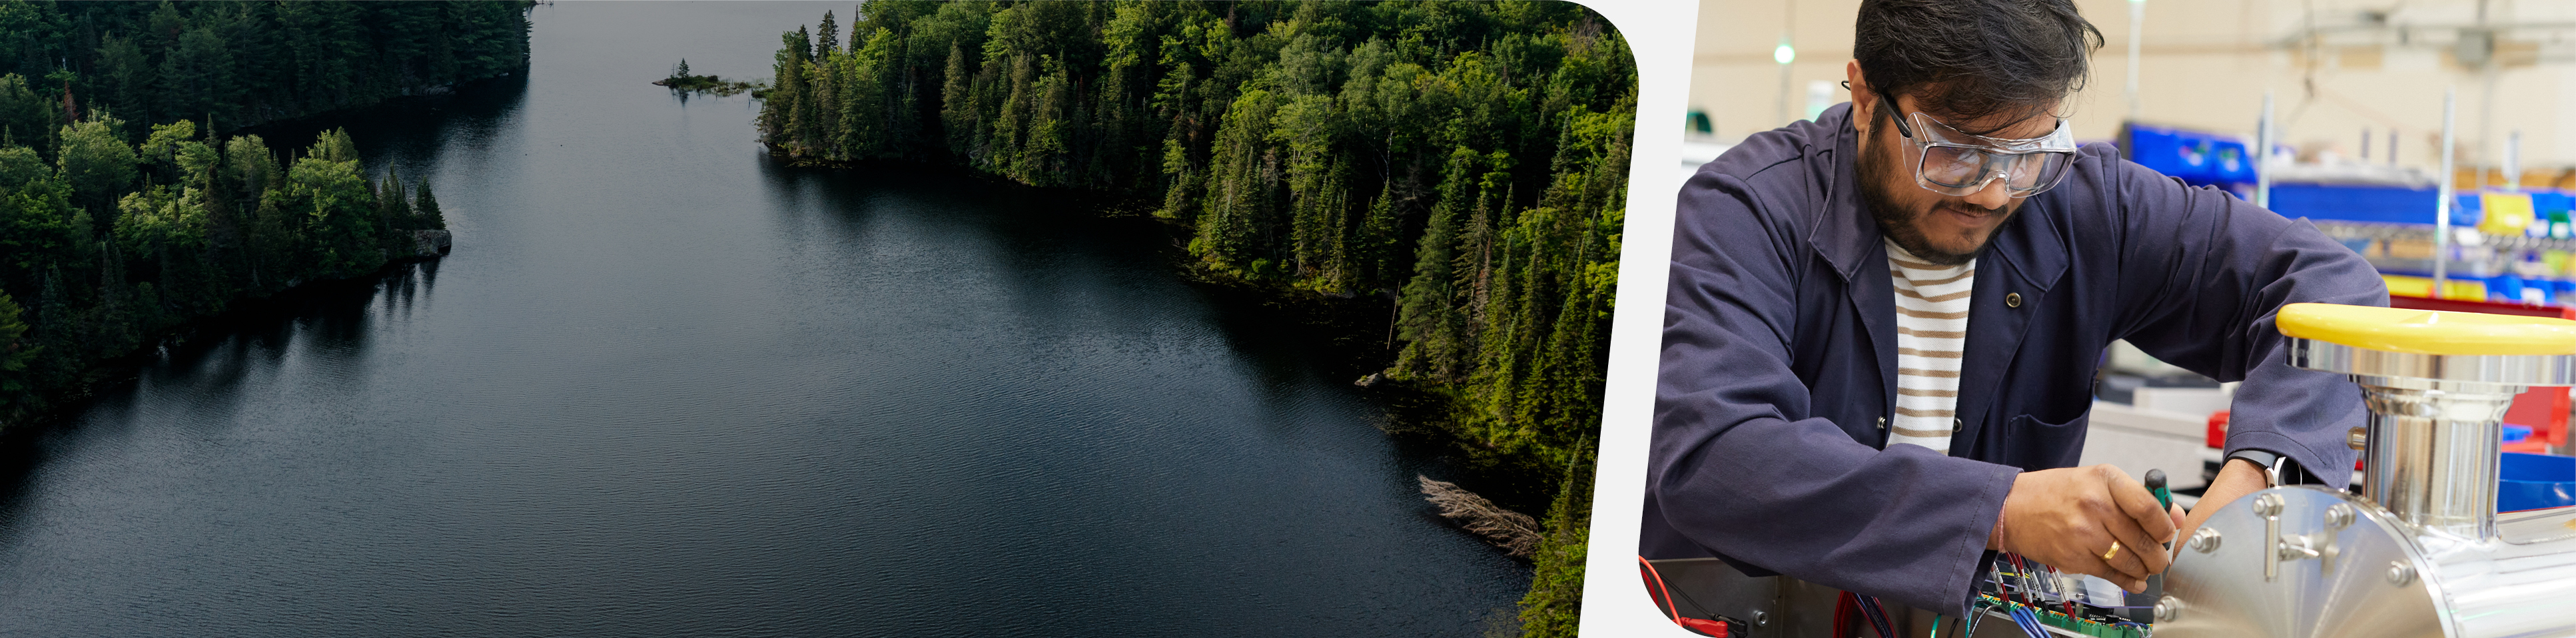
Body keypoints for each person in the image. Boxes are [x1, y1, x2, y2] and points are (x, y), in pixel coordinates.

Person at [1646, 0, 2387, 615]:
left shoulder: (2085, 206)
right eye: (1955, 151)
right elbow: (1718, 455)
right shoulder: (1742, 213)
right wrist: (1999, 508)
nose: (1993, 192)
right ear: (1864, 94)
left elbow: (2331, 286)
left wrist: (2260, 477)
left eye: (2027, 153)